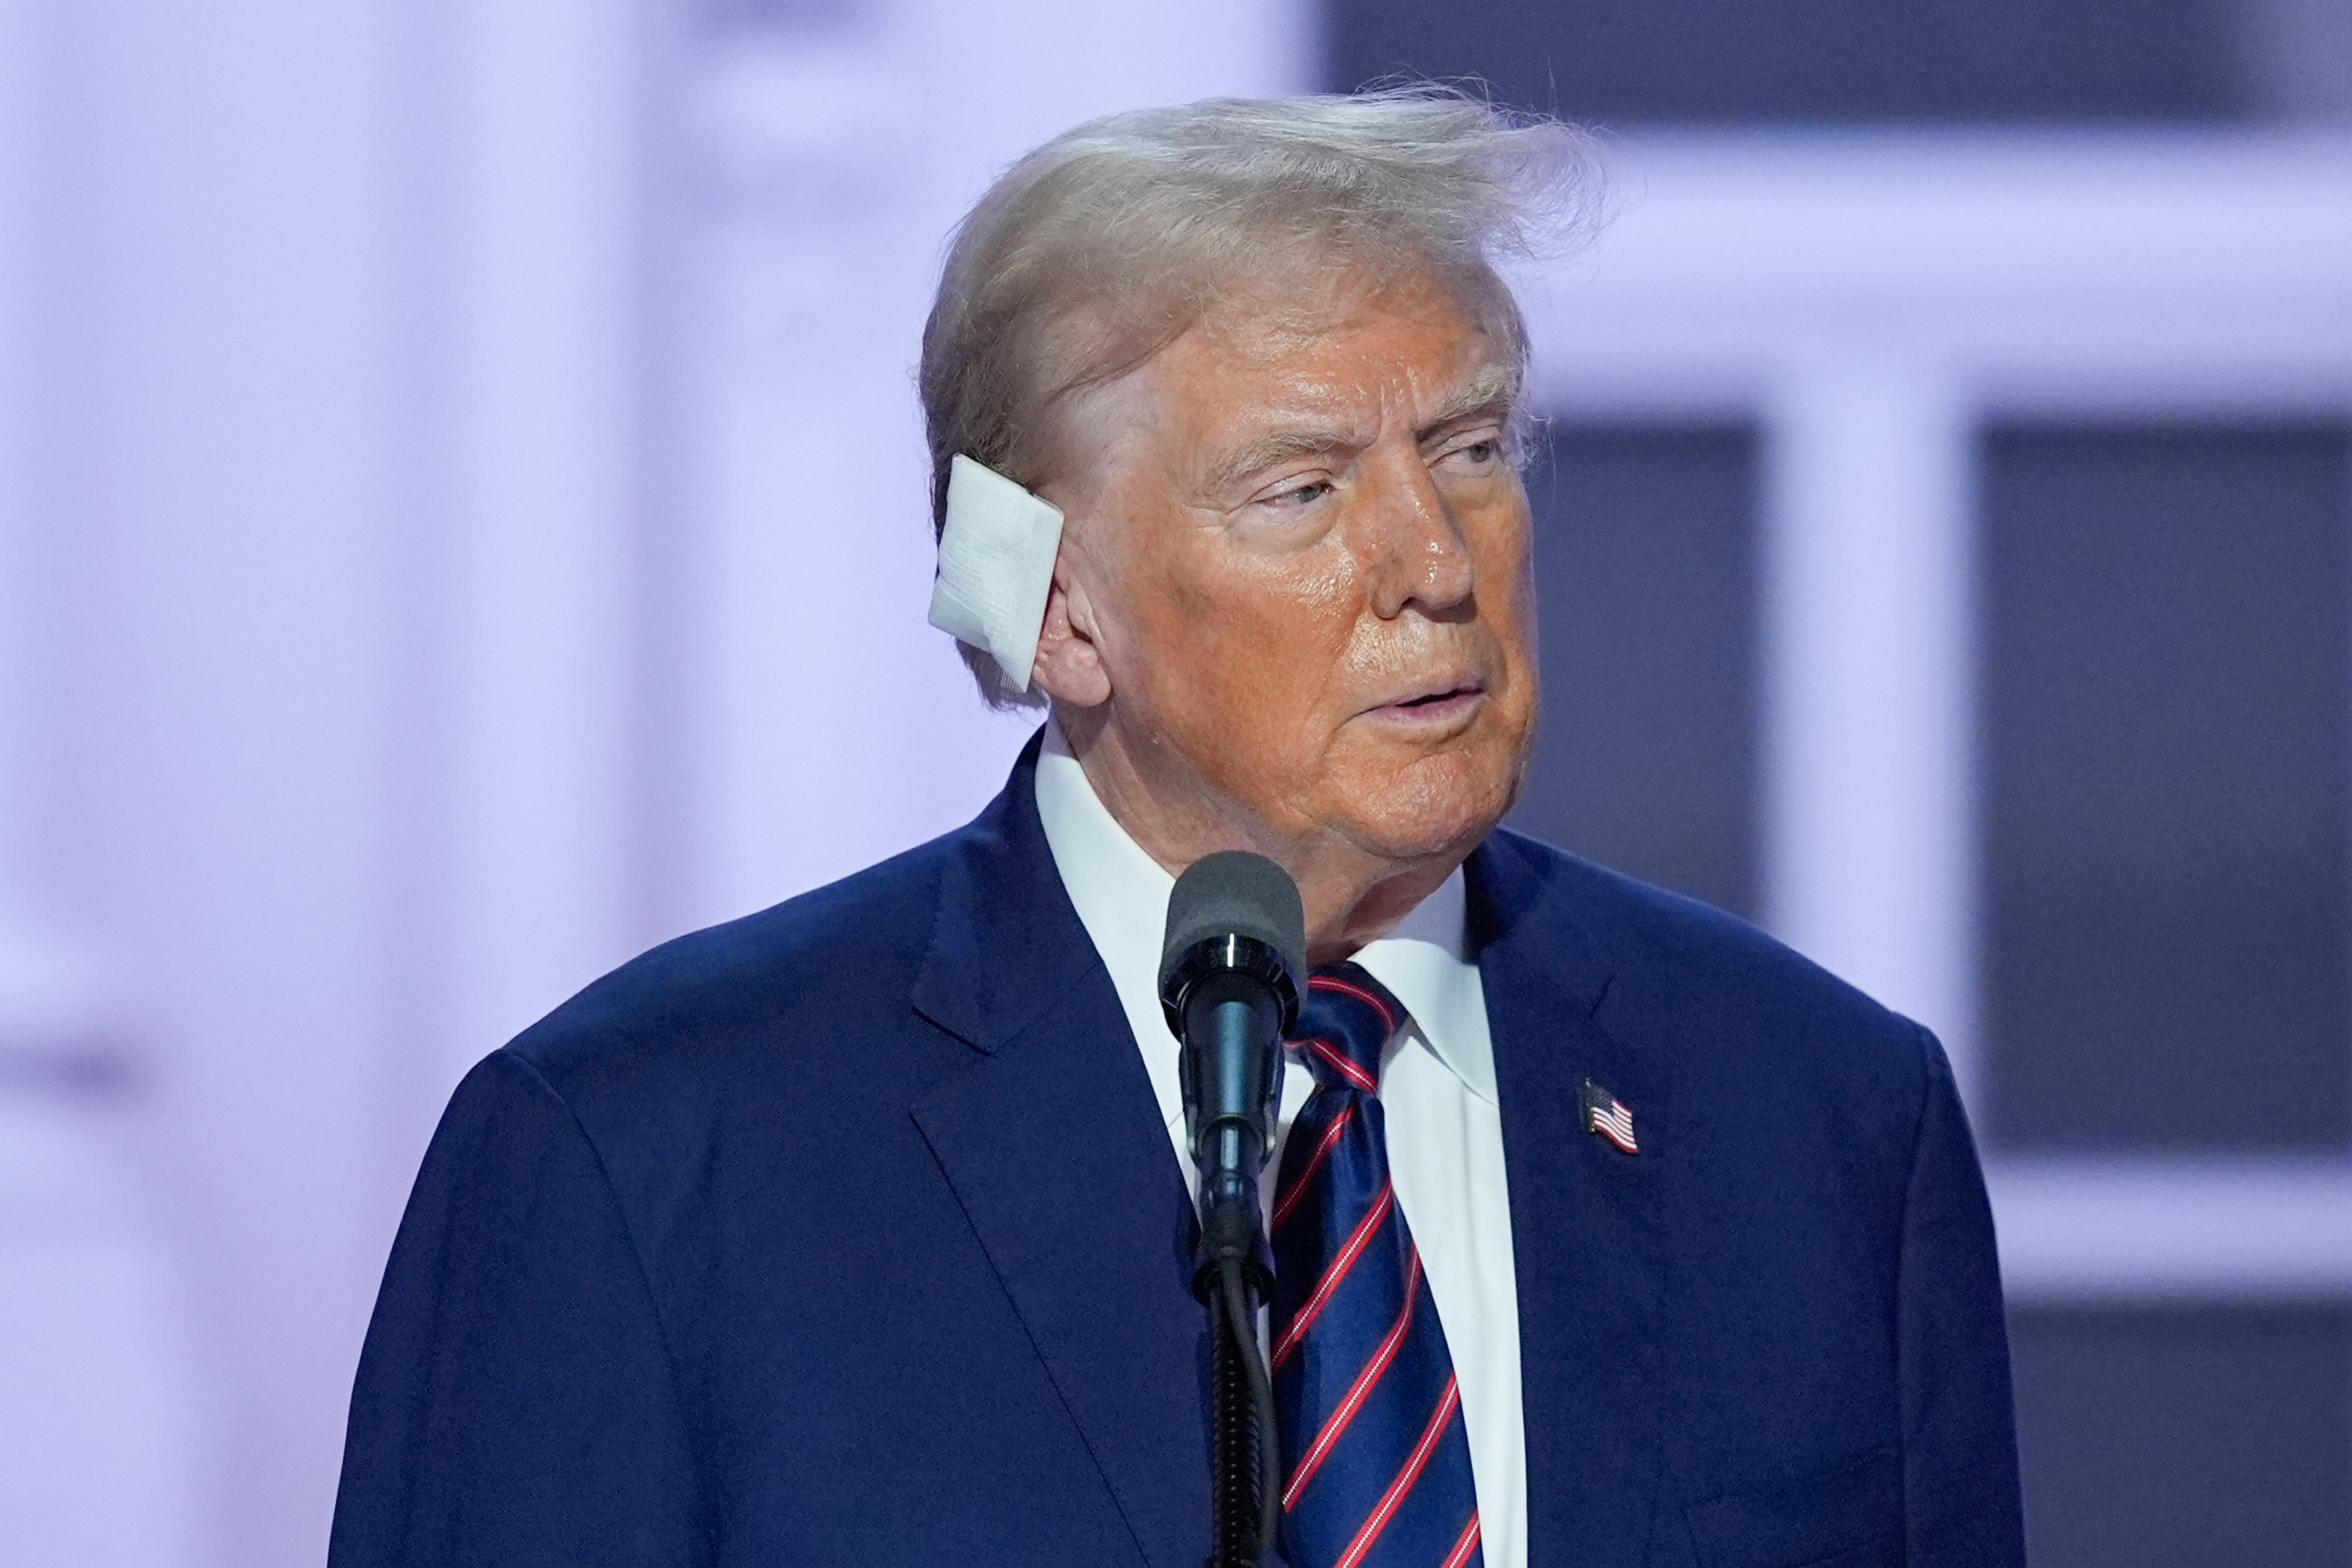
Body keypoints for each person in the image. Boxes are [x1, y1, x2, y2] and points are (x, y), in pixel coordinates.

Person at [329, 90, 2024, 1568]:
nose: (1437, 563)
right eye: (1305, 487)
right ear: (1060, 609)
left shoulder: (1816, 1121)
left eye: (1473, 449)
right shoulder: (642, 1158)